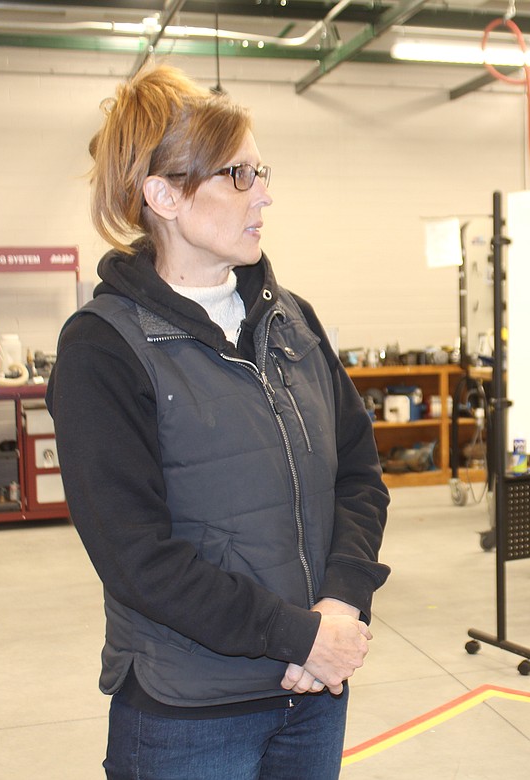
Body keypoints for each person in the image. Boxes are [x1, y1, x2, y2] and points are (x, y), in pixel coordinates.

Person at [47, 63, 390, 779]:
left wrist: (340, 604)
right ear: (164, 194)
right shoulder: (103, 348)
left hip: (312, 694)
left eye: (260, 170)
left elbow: (358, 474)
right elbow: (137, 557)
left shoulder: (292, 320)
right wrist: (295, 635)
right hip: (190, 716)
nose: (264, 193)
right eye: (238, 175)